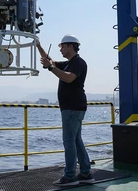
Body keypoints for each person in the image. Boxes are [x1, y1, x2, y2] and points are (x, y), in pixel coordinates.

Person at [36, 34, 94, 187]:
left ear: (70, 46)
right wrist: (38, 46)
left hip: (72, 107)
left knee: (69, 141)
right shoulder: (69, 63)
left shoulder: (78, 63)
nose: (60, 49)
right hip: (73, 107)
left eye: (62, 46)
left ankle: (69, 176)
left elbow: (68, 78)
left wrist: (50, 68)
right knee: (76, 140)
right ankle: (86, 173)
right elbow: (51, 61)